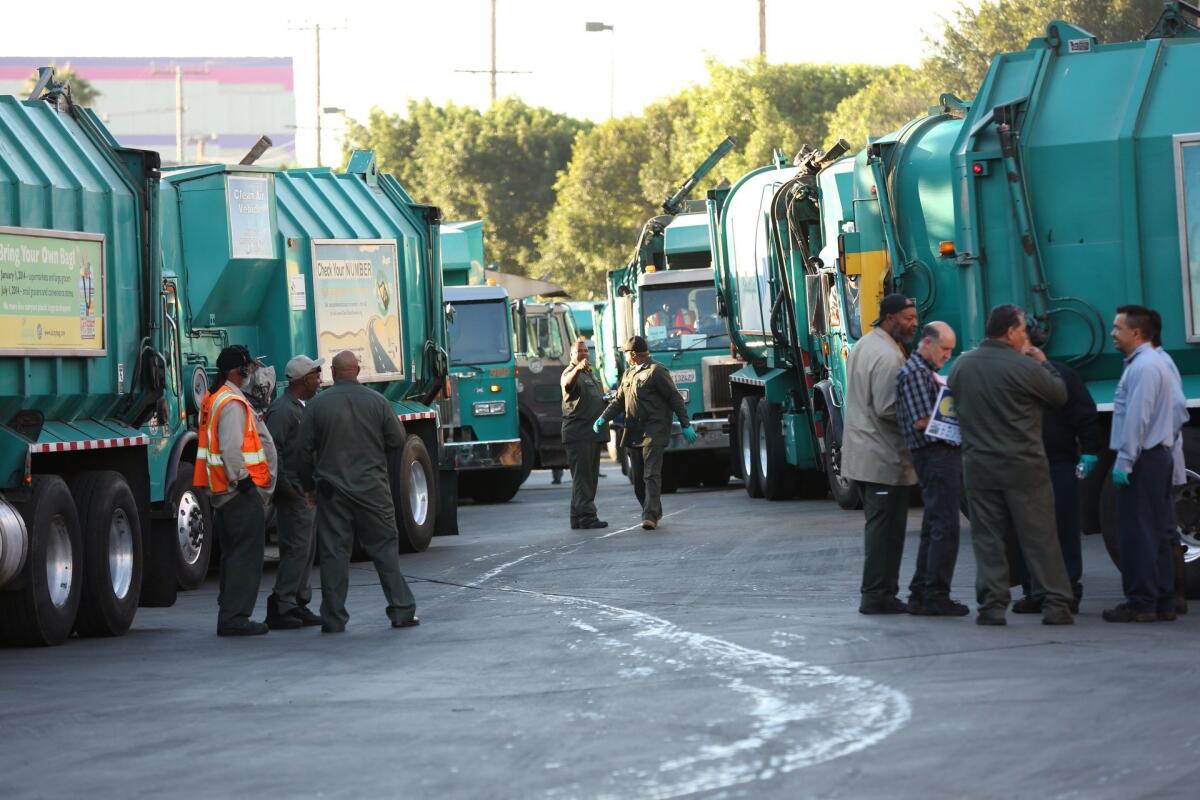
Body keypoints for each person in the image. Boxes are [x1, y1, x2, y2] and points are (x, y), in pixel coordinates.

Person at [947, 304, 1074, 626]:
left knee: (988, 539)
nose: (1026, 336)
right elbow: (1059, 395)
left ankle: (991, 607)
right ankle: (1056, 605)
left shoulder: (961, 366)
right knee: (1040, 537)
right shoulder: (1024, 366)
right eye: (1023, 330)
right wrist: (1045, 365)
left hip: (979, 468)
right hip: (1024, 467)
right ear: (1010, 331)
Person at [295, 350, 419, 633]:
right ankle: (401, 610)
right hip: (373, 490)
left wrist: (309, 486)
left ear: (334, 373)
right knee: (385, 551)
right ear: (358, 370)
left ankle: (333, 618)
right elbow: (397, 439)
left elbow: (301, 451)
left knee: (334, 554)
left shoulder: (317, 405)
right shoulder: (377, 401)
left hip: (332, 491)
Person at [1103, 305, 1188, 622]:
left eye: (1117, 327)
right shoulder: (1158, 362)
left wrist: (1125, 462)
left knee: (1137, 532)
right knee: (1159, 530)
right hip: (1158, 455)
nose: (1113, 333)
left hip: (1143, 459)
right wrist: (1167, 438)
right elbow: (1179, 409)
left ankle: (1141, 602)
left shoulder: (1143, 368)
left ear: (1136, 332)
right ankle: (1163, 600)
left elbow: (1136, 418)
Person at [193, 345, 278, 637]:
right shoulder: (231, 403)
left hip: (225, 494)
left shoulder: (218, 398)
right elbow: (231, 450)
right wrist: (244, 483)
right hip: (239, 494)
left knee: (233, 557)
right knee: (246, 558)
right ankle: (236, 617)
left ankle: (230, 613)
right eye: (246, 368)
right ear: (235, 371)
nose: (250, 373)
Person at [842, 293, 919, 615]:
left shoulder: (866, 344)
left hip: (866, 453)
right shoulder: (888, 356)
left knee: (884, 529)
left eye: (915, 317)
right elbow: (889, 407)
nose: (914, 323)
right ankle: (876, 594)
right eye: (908, 318)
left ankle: (881, 592)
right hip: (881, 456)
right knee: (885, 532)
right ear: (890, 318)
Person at [1009, 355, 1102, 614]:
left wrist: (1090, 449)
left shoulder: (1062, 376)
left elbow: (1085, 415)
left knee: (1062, 529)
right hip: (1026, 464)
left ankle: (1068, 590)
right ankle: (1035, 591)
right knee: (1028, 531)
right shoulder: (1014, 377)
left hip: (1058, 463)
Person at [894, 321, 969, 617]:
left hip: (935, 456)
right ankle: (936, 595)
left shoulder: (925, 373)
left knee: (935, 526)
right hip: (934, 455)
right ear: (927, 342)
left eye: (951, 350)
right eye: (945, 349)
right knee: (945, 527)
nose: (947, 355)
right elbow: (922, 421)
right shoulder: (915, 373)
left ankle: (921, 593)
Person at [594, 335, 696, 530]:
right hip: (634, 432)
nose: (625, 356)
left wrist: (685, 423)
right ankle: (652, 509)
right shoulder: (628, 374)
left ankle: (650, 516)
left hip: (654, 431)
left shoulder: (656, 371)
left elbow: (675, 398)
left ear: (633, 355)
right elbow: (618, 402)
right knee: (638, 478)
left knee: (651, 474)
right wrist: (603, 418)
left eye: (625, 353)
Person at [263, 355, 325, 630]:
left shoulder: (302, 406)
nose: (320, 379)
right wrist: (284, 487)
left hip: (304, 490)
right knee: (296, 548)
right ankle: (283, 603)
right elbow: (272, 450)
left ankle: (299, 602)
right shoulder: (283, 410)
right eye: (316, 374)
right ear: (303, 380)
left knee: (307, 549)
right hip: (293, 491)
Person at [562, 337, 608, 529]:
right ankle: (587, 517)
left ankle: (577, 518)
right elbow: (567, 383)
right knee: (584, 478)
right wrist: (577, 369)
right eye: (579, 351)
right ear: (572, 355)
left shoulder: (590, 373)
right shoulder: (571, 372)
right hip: (579, 434)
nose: (584, 354)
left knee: (585, 478)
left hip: (592, 434)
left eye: (586, 351)